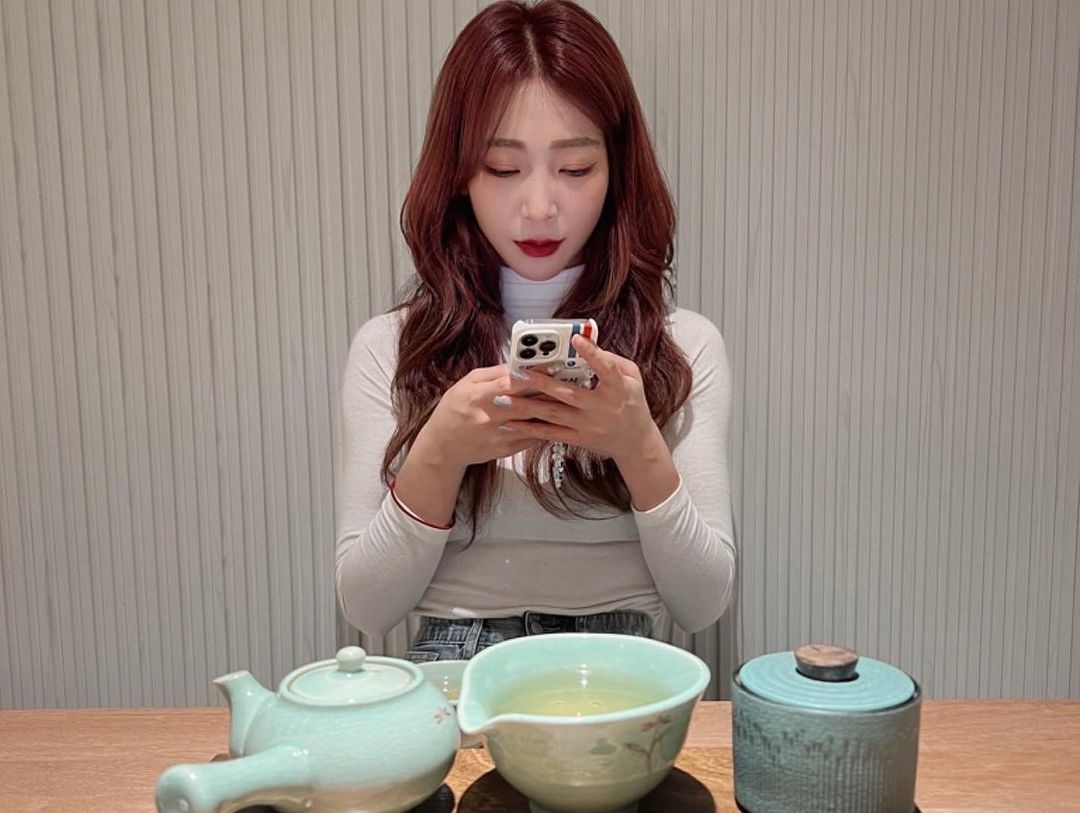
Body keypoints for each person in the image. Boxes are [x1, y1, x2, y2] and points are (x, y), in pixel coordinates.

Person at [335, 0, 735, 663]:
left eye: (575, 169)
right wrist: (440, 451)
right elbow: (367, 606)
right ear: (458, 174)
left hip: (618, 666)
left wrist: (636, 442)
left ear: (616, 171)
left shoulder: (681, 347)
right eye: (502, 168)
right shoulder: (392, 348)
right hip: (458, 664)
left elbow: (703, 603)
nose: (541, 206)